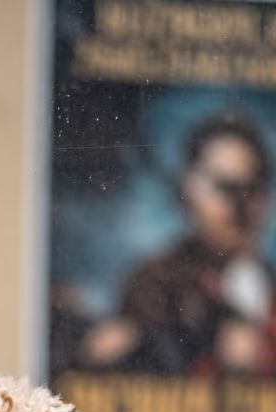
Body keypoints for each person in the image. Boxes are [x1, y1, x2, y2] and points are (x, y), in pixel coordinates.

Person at [78, 114, 276, 375]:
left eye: (252, 187)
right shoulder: (155, 282)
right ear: (189, 190)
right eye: (225, 187)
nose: (240, 206)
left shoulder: (266, 279)